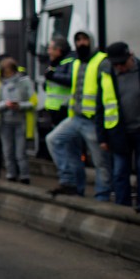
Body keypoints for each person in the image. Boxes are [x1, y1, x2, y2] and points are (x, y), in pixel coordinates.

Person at [45, 31, 115, 200]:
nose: (81, 43)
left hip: (92, 120)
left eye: (84, 40)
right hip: (76, 117)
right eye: (78, 40)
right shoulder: (77, 62)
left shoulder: (102, 61)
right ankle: (69, 182)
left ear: (91, 41)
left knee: (101, 162)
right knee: (54, 140)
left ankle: (102, 196)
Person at [100, 42, 137, 208]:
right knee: (120, 172)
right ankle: (122, 208)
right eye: (116, 64)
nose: (120, 67)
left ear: (131, 56)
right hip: (119, 132)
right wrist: (102, 137)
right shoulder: (108, 76)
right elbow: (100, 108)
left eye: (123, 63)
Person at [0, 57, 34, 184]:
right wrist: (5, 105)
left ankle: (24, 175)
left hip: (21, 121)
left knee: (20, 152)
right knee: (7, 151)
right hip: (4, 122)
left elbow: (33, 102)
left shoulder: (24, 82)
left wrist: (20, 105)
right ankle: (11, 175)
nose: (8, 74)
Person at [43, 36, 75, 130]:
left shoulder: (70, 62)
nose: (48, 52)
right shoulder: (56, 63)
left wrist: (52, 76)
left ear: (58, 50)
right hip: (54, 110)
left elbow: (71, 80)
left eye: (50, 49)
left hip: (64, 109)